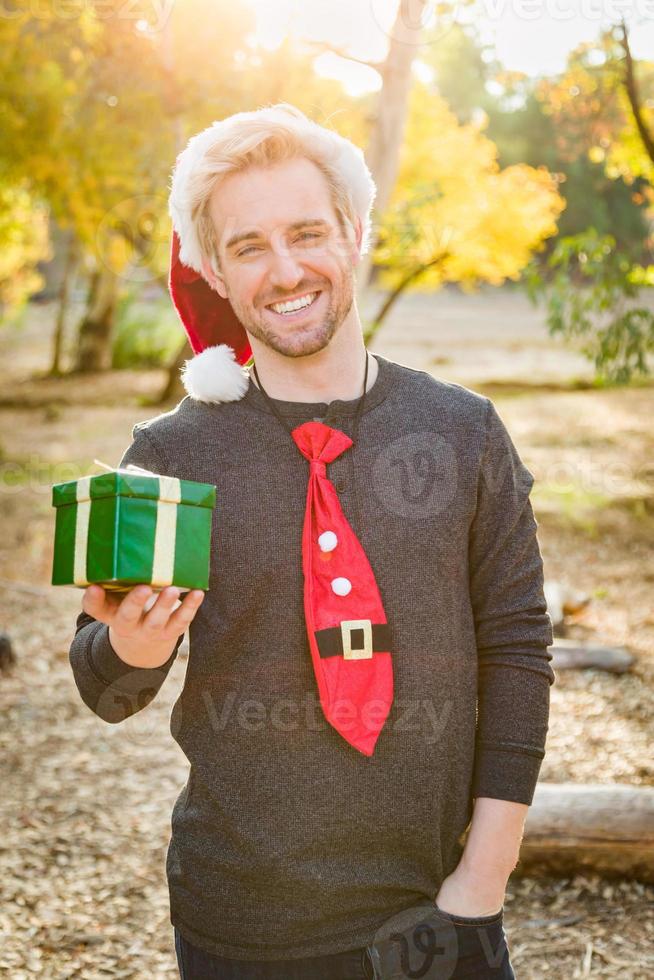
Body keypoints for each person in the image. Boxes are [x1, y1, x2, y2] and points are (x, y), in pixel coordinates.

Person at [68, 103, 555, 979]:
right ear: (214, 268)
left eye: (306, 232)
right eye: (248, 245)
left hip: (439, 904)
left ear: (355, 232)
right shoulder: (171, 457)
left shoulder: (462, 431)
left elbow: (517, 649)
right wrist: (132, 646)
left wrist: (482, 882)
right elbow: (105, 686)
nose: (285, 269)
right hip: (242, 921)